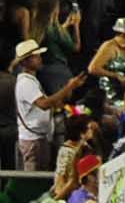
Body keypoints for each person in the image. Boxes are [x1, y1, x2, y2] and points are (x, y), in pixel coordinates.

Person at [11, 38, 84, 172]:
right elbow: (43, 104)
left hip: (38, 138)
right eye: (35, 56)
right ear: (25, 62)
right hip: (34, 140)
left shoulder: (31, 81)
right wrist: (68, 87)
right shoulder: (26, 83)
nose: (40, 59)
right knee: (34, 180)